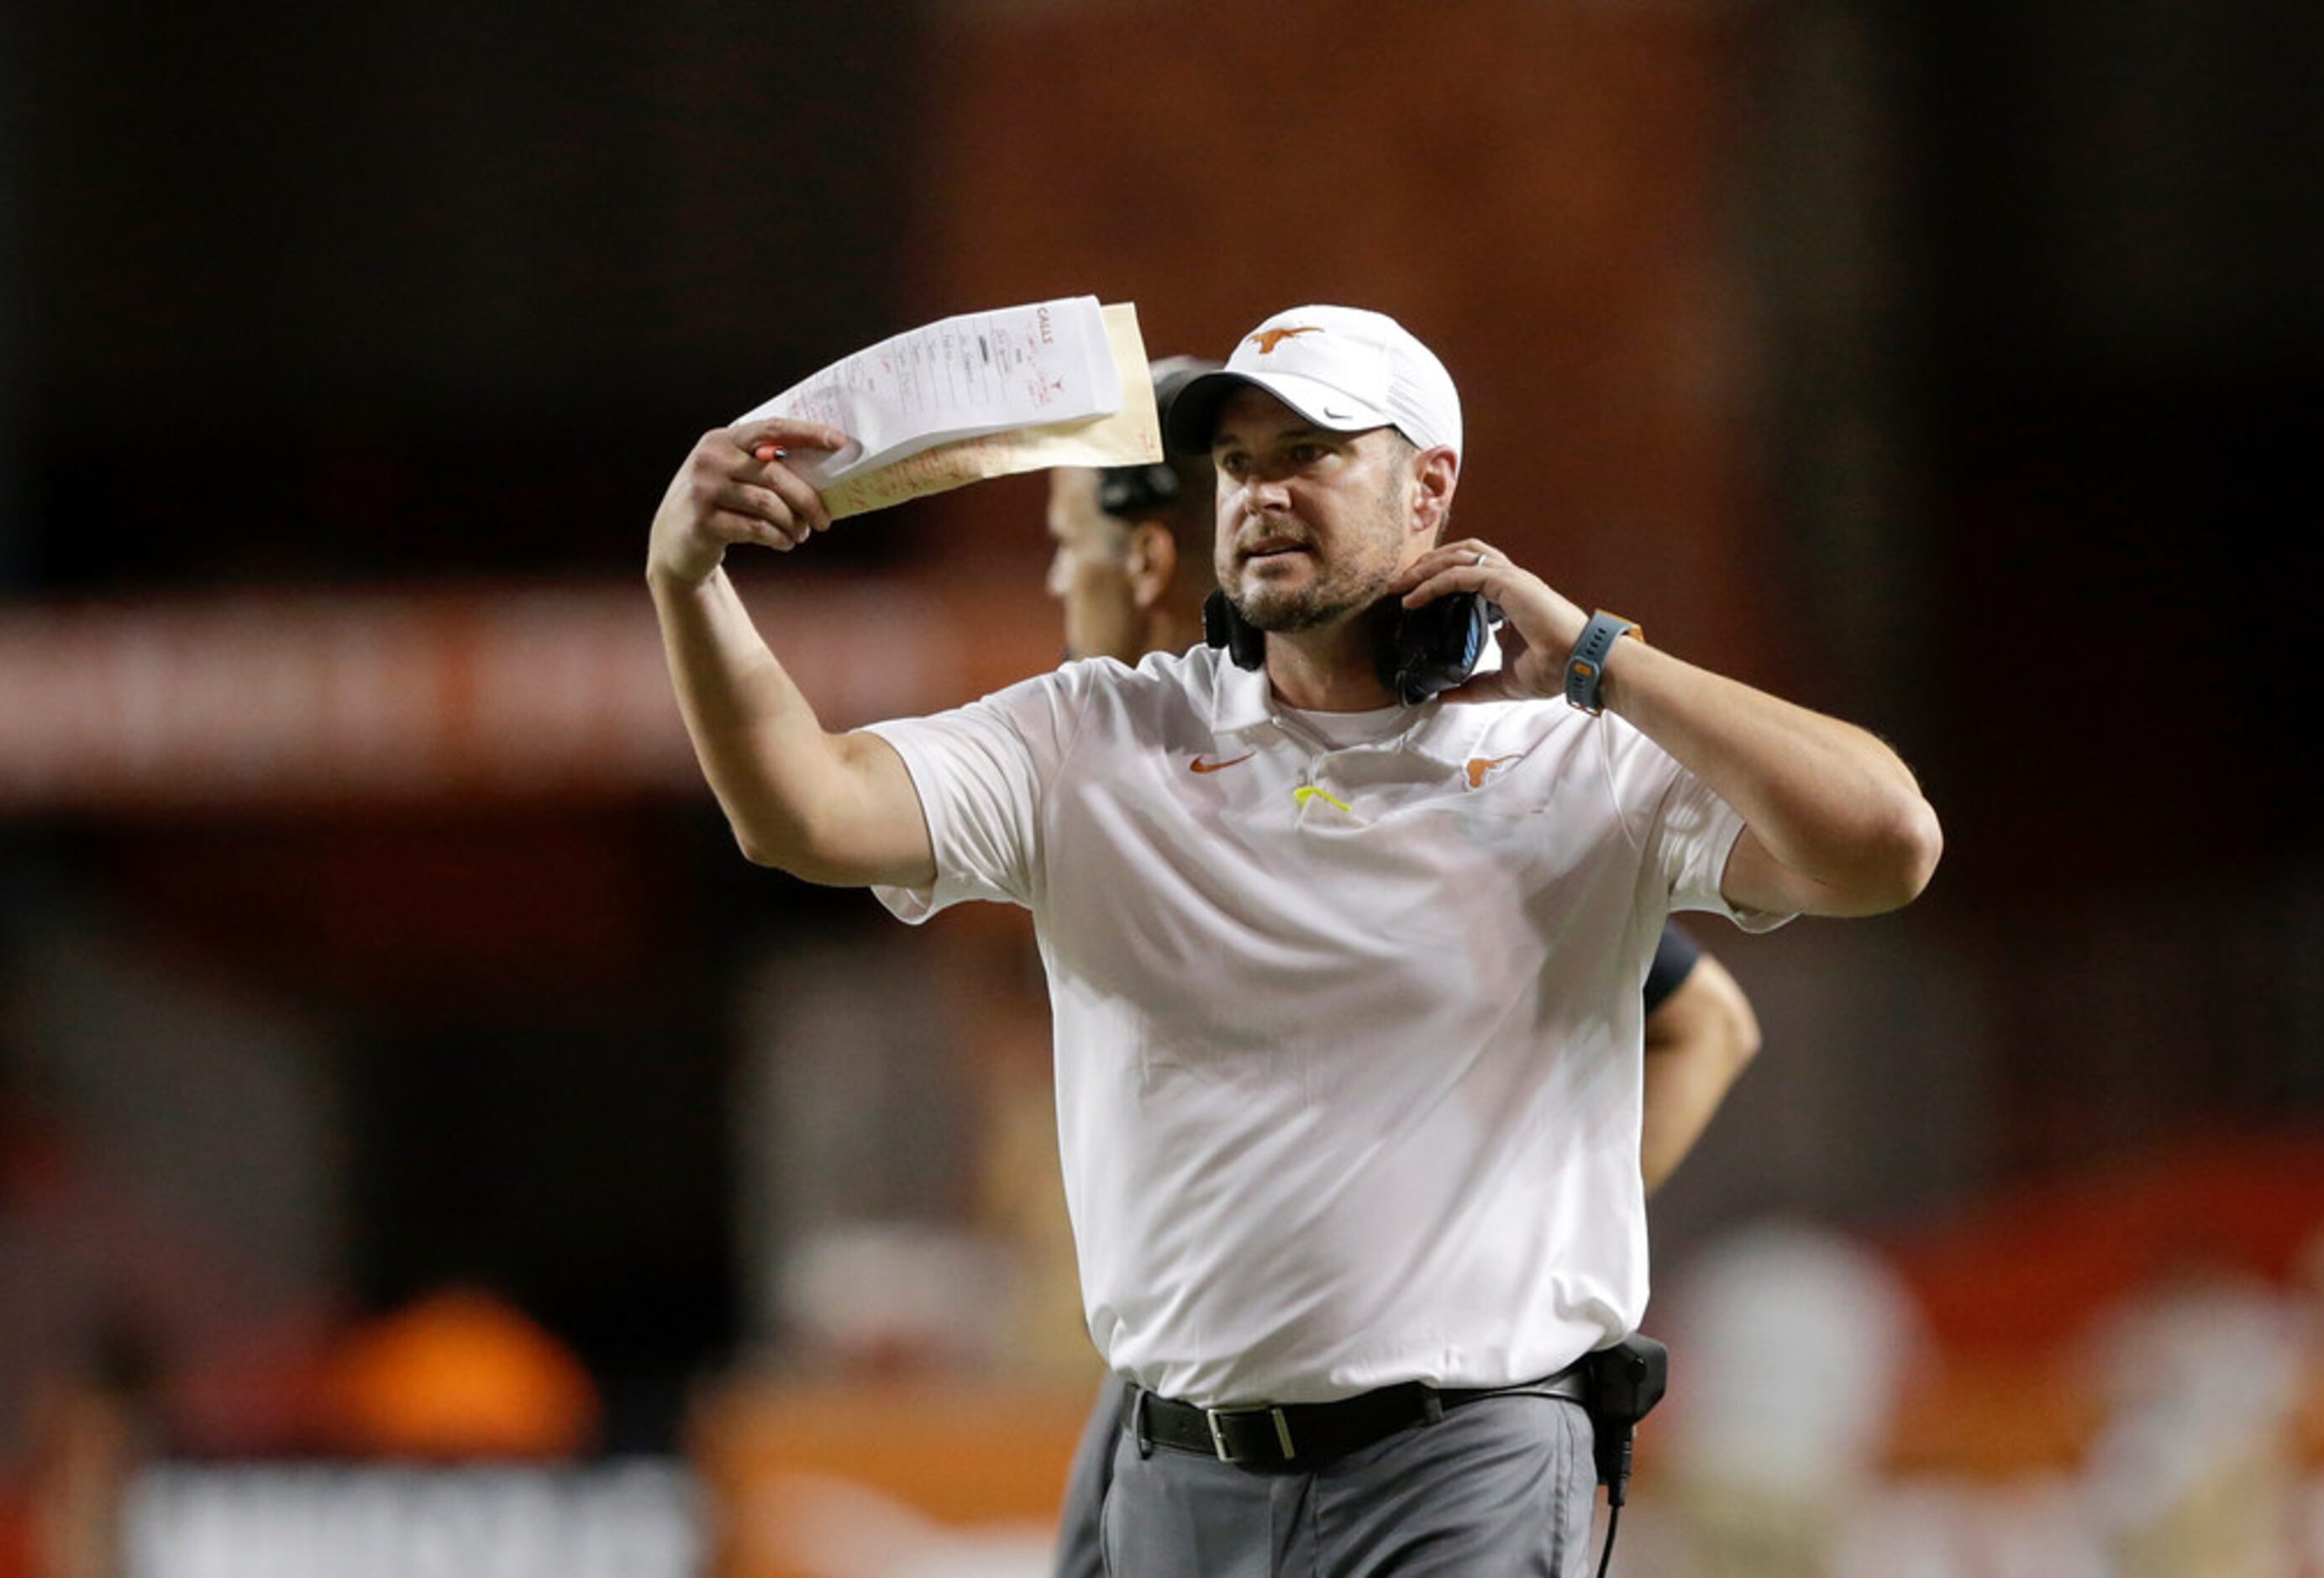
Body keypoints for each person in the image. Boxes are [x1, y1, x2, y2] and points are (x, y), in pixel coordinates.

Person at [646, 303, 1941, 1575]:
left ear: (1428, 488)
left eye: (1311, 452)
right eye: (1237, 464)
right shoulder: (1097, 735)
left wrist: (1603, 658)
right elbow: (806, 812)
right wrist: (687, 579)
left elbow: (1887, 843)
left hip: (1463, 1462)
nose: (1262, 491)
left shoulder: (1577, 761)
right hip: (1177, 1471)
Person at [1037, 357, 1763, 1578]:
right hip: (1187, 1396)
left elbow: (1710, 1018)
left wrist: (1470, 1253)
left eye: (1067, 546)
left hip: (1397, 1440)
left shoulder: (1412, 795)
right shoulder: (1105, 780)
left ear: (1152, 559)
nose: (1058, 581)